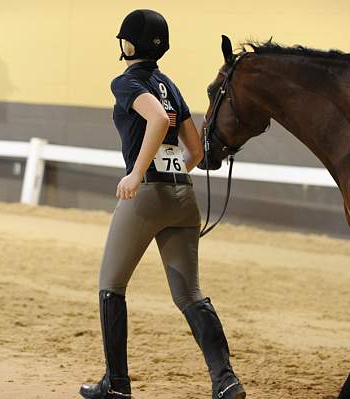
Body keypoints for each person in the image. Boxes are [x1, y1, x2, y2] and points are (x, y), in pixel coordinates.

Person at [79, 9, 246, 399]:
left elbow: (154, 121)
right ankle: (225, 380)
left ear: (128, 44)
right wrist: (172, 172)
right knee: (190, 295)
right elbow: (194, 149)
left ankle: (116, 385)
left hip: (147, 198)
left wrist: (137, 173)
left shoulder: (126, 82)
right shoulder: (170, 85)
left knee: (111, 286)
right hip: (182, 196)